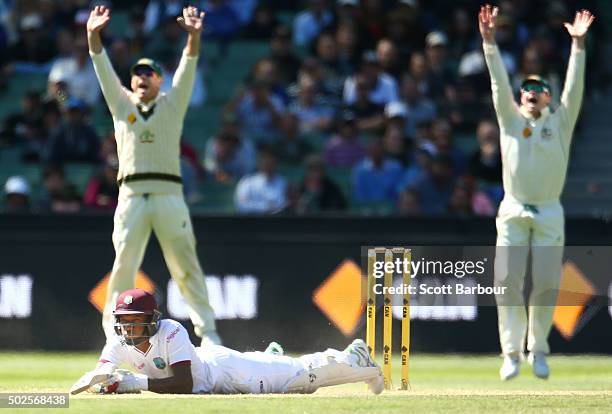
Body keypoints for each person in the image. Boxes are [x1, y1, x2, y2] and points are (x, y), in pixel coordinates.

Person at [86, 5, 220, 345]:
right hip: (131, 197)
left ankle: (210, 335)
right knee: (123, 267)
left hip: (169, 195)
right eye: (137, 74)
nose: (142, 77)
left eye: (149, 73)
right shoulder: (121, 106)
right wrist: (92, 37)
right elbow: (103, 70)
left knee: (185, 265)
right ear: (131, 81)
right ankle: (113, 339)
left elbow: (188, 68)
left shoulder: (173, 104)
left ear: (159, 80)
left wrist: (194, 38)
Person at [479, 4, 594, 381]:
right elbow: (498, 83)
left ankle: (538, 349)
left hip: (548, 211)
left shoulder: (560, 122)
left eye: (538, 89)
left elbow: (574, 88)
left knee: (546, 282)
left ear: (548, 97)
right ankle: (511, 352)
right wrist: (490, 43)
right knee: (506, 280)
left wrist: (577, 47)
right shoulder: (509, 120)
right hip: (512, 209)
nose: (530, 92)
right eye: (526, 88)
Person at [71, 289, 382, 395]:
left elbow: (182, 384)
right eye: (123, 320)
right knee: (273, 367)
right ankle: (266, 357)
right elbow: (105, 367)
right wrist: (101, 379)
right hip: (217, 364)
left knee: (298, 380)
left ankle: (351, 356)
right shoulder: (118, 339)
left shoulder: (171, 331)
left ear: (151, 319)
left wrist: (129, 383)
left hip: (228, 373)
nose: (127, 327)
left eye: (134, 320)